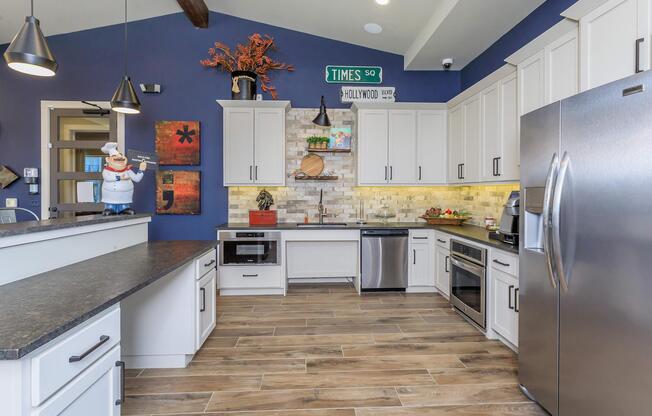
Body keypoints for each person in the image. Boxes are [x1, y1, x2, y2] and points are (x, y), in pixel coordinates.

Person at [100, 142, 146, 215]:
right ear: (108, 159)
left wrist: (141, 170)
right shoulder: (107, 170)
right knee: (111, 205)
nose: (119, 158)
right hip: (110, 194)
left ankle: (124, 208)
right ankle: (110, 208)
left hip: (125, 196)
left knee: (124, 205)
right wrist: (120, 177)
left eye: (121, 155)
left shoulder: (128, 170)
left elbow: (137, 179)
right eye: (115, 156)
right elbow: (107, 178)